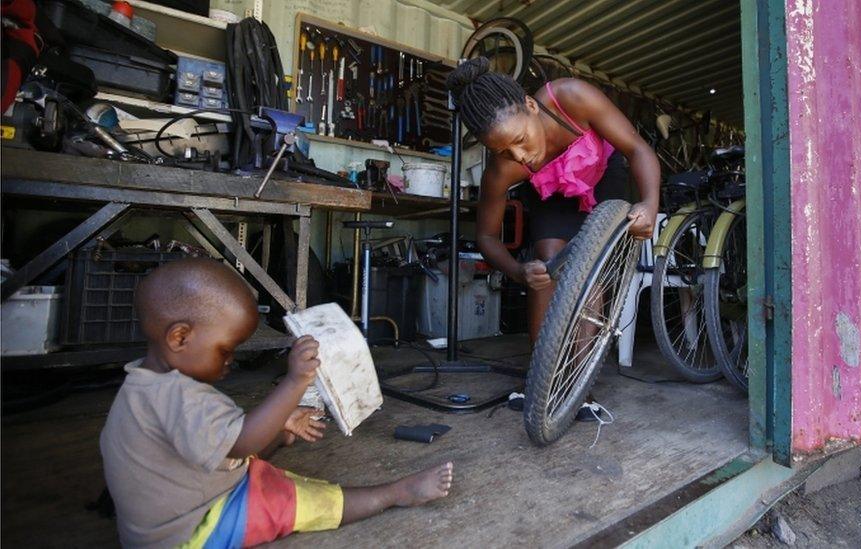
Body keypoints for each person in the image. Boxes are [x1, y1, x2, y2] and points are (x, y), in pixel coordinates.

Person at [100, 258, 453, 548]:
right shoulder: (180, 399)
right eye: (225, 350)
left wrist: (279, 422)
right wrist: (295, 381)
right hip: (191, 533)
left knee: (262, 469)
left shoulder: (144, 385)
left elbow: (218, 447)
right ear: (180, 337)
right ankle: (395, 493)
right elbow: (242, 441)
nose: (231, 361)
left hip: (159, 525)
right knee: (292, 498)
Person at [446, 57, 662, 343]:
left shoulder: (571, 97)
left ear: (531, 105)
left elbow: (637, 149)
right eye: (504, 151)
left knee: (589, 265)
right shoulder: (502, 169)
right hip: (552, 189)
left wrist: (649, 203)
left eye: (521, 139)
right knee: (546, 262)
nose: (520, 156)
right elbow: (486, 236)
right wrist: (518, 271)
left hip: (601, 173)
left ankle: (581, 374)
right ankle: (543, 378)